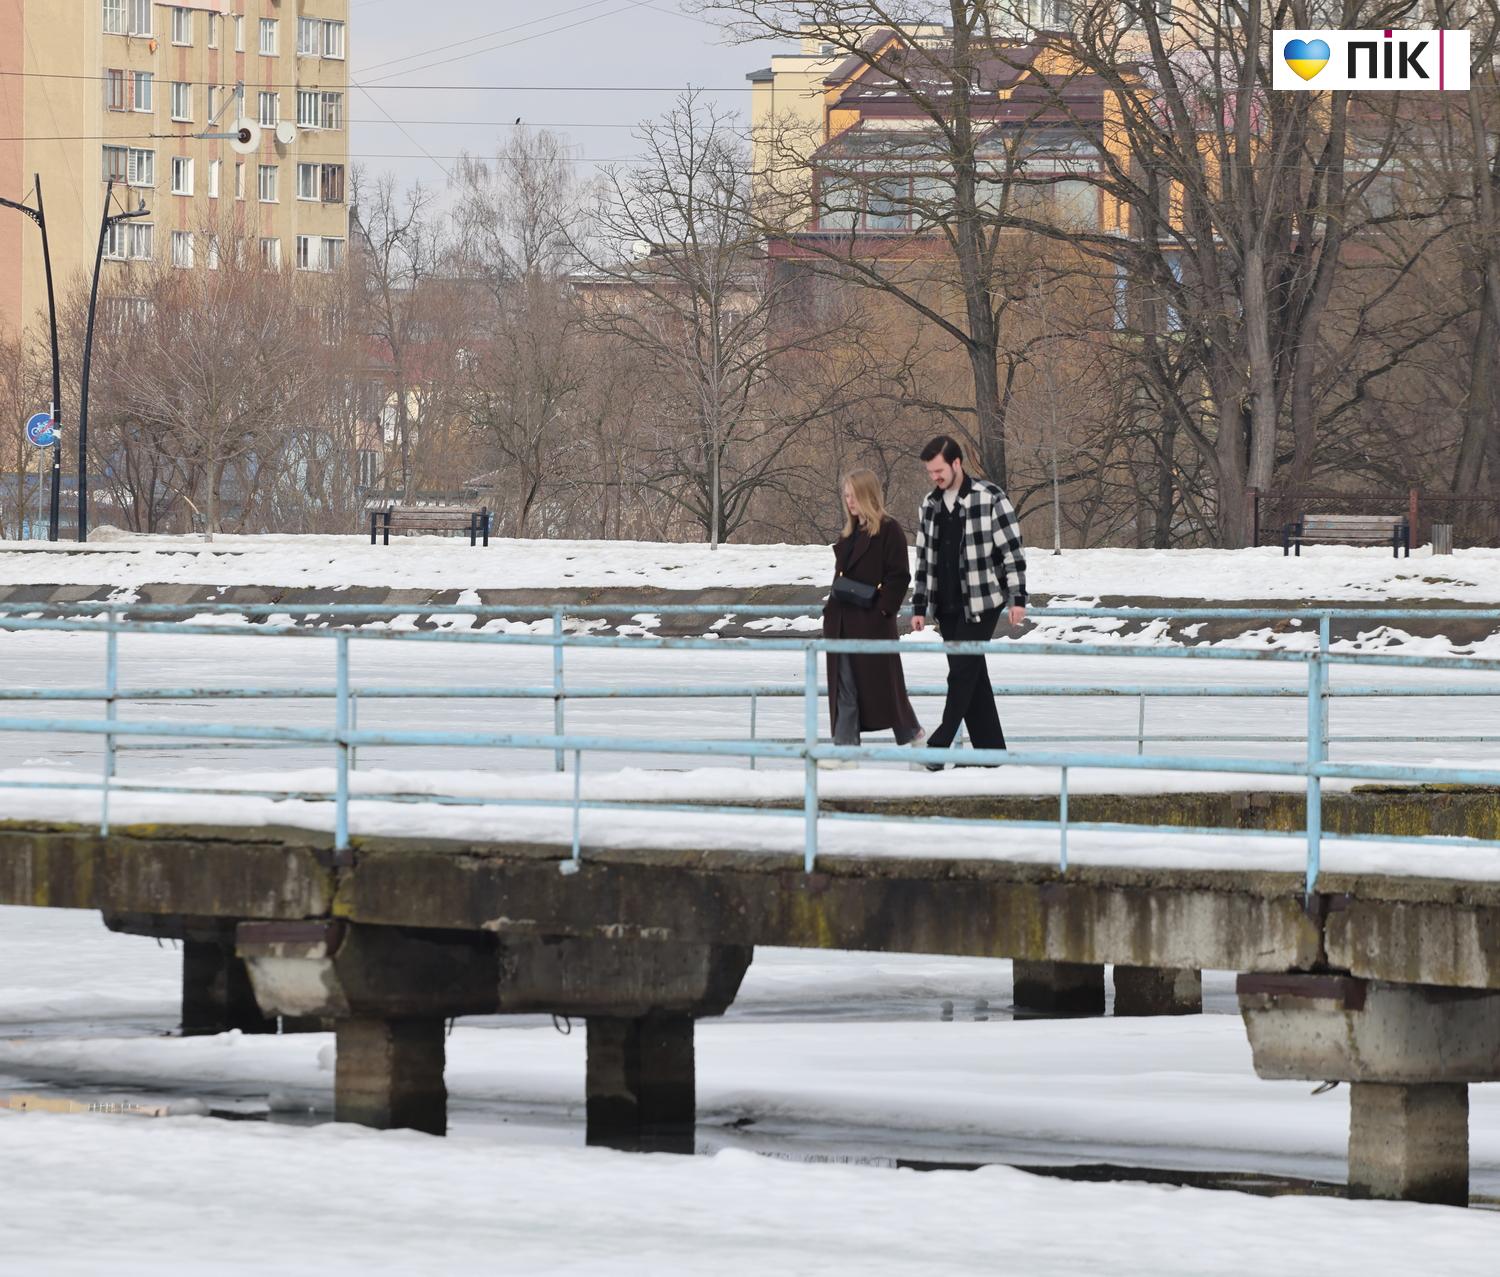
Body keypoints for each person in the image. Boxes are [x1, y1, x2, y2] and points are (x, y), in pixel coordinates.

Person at [910, 435, 1027, 769]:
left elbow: (1012, 551)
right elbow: (923, 559)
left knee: (961, 674)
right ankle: (992, 756)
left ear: (956, 463)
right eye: (930, 472)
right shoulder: (930, 505)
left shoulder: (989, 498)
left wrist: (1017, 597)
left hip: (982, 601)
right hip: (946, 606)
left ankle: (938, 746)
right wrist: (919, 606)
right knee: (973, 679)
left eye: (939, 470)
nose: (935, 477)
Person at [822, 469, 924, 766]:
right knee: (845, 686)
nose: (849, 501)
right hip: (842, 624)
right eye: (846, 496)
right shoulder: (849, 533)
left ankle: (915, 737)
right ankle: (846, 751)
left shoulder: (889, 529)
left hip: (872, 625)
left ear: (869, 495)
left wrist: (881, 610)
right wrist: (830, 614)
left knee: (886, 689)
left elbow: (899, 577)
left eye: (854, 496)